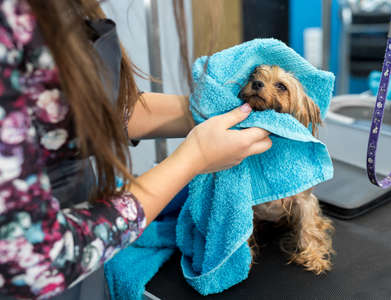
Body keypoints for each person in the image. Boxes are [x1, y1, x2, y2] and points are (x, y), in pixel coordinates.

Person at [0, 0, 272, 299]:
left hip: (87, 259)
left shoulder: (53, 12)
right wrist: (193, 159)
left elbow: (67, 115)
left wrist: (207, 111)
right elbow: (35, 258)